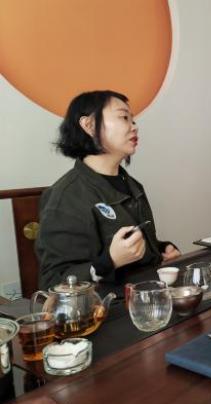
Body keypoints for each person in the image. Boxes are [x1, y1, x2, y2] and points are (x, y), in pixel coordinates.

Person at [36, 90, 181, 290]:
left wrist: (161, 248)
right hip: (106, 306)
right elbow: (53, 282)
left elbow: (133, 245)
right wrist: (108, 262)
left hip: (149, 296)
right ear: (89, 125)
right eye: (124, 117)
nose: (134, 127)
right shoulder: (65, 197)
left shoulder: (133, 185)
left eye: (133, 120)